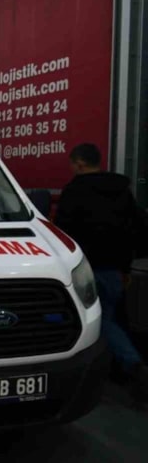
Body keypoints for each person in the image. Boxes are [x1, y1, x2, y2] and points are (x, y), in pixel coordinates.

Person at [55, 143, 148, 402]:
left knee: (96, 319)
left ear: (80, 163)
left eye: (72, 164)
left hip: (84, 270)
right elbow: (136, 230)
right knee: (111, 317)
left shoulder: (74, 191)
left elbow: (63, 233)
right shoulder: (122, 191)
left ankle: (132, 365)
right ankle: (120, 368)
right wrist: (125, 267)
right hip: (115, 269)